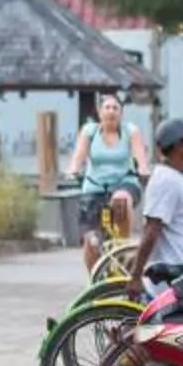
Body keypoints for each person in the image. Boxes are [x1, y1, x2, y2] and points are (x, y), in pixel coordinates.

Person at [130, 116, 183, 295]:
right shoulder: (166, 180)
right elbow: (152, 230)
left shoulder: (178, 179)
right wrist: (135, 276)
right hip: (173, 289)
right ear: (180, 146)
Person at [67, 92, 149, 268]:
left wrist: (143, 168)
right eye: (107, 107)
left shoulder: (130, 130)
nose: (111, 111)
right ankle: (94, 282)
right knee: (92, 243)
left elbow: (139, 153)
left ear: (121, 113)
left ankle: (122, 245)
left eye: (115, 108)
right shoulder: (90, 130)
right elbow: (79, 154)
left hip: (124, 183)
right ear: (99, 112)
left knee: (120, 200)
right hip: (94, 188)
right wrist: (73, 169)